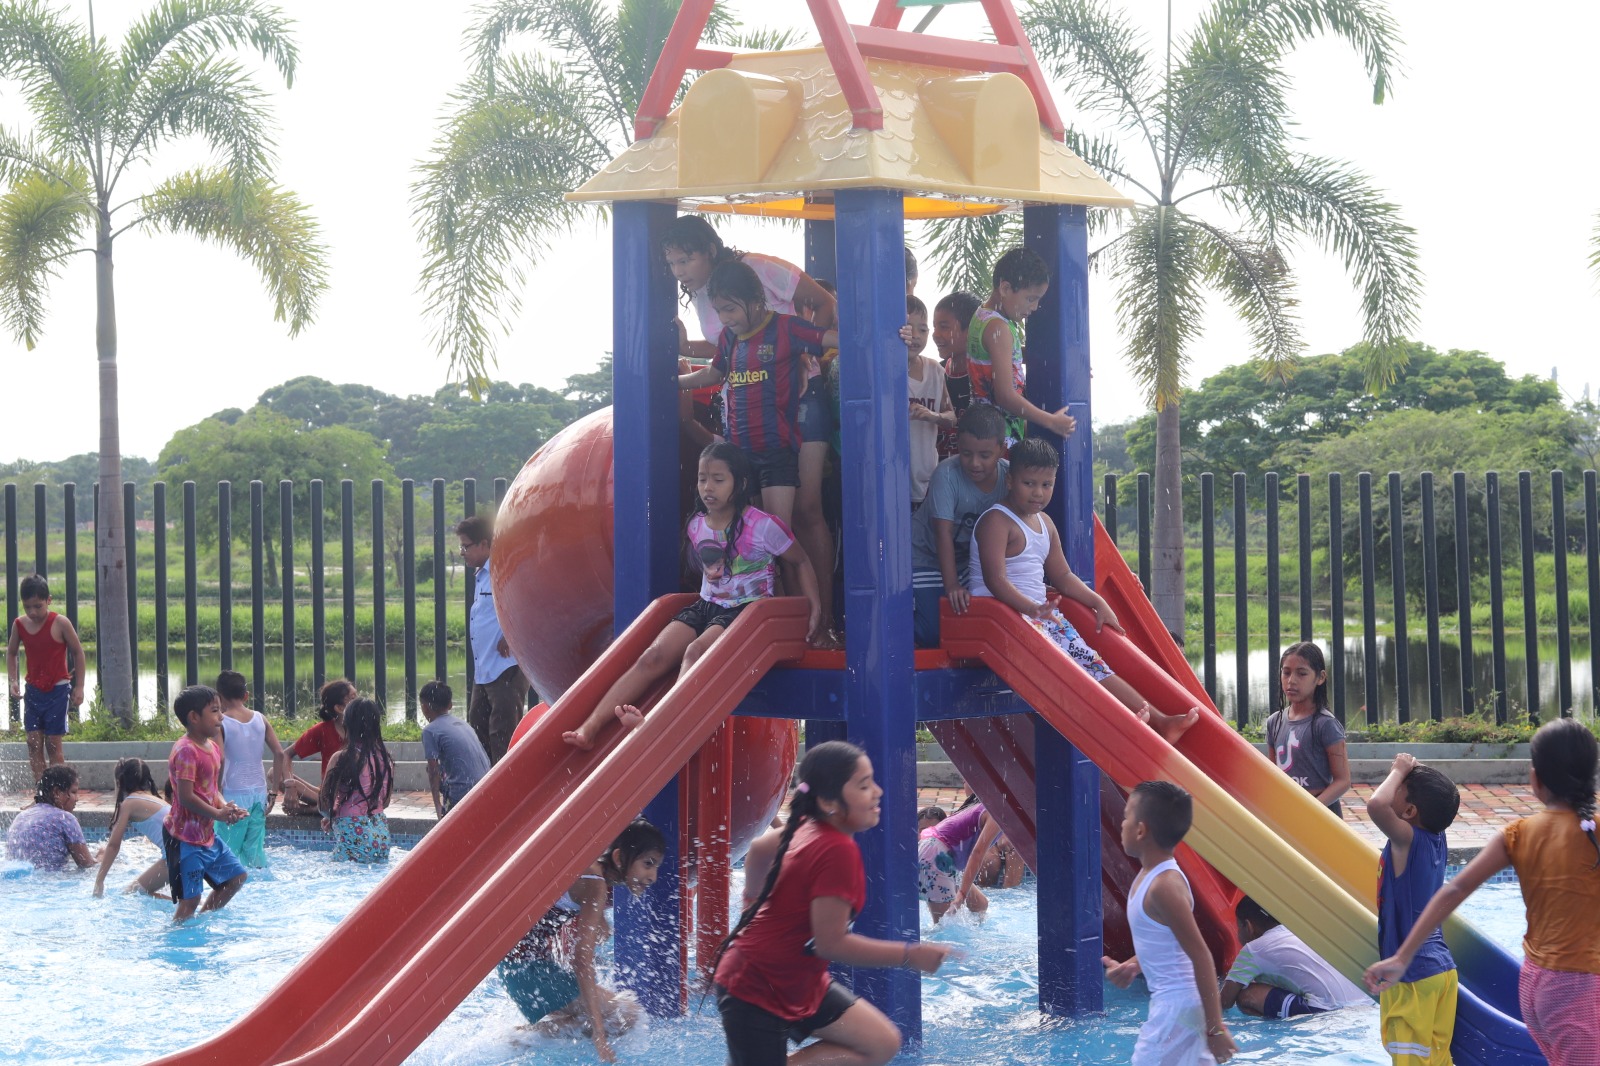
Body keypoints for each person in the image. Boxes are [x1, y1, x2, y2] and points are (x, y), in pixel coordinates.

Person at [563, 443, 823, 750]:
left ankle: (656, 726)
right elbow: (709, 568)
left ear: (739, 483)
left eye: (718, 479)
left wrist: (815, 607)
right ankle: (590, 728)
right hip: (707, 606)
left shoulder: (763, 526)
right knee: (652, 656)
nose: (708, 487)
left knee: (694, 652)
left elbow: (800, 561)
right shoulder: (697, 525)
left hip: (746, 613)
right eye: (702, 479)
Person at [1368, 720, 1597, 1066]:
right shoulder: (1592, 831)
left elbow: (1455, 888)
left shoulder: (1518, 833)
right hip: (1576, 986)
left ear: (1535, 779)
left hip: (1533, 985)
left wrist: (1402, 956)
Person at [712, 741, 951, 1066]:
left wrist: (752, 904)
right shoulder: (836, 850)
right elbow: (831, 943)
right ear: (827, 801)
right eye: (864, 785)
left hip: (796, 979)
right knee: (877, 1045)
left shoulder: (807, 826)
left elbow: (758, 849)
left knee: (880, 1043)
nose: (878, 792)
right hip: (754, 986)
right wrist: (909, 955)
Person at [664, 215, 839, 646]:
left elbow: (823, 305)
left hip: (798, 399)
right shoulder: (710, 301)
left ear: (709, 250)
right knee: (761, 525)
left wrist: (806, 356)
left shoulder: (758, 268)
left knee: (805, 510)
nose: (679, 272)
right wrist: (681, 357)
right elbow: (727, 350)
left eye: (685, 260)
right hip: (749, 416)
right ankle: (779, 621)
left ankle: (823, 623)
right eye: (673, 264)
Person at [971, 438, 1199, 740]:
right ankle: (1124, 728)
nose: (1038, 492)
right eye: (1029, 483)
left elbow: (1063, 575)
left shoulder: (1045, 523)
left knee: (1092, 662)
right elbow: (995, 580)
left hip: (1039, 617)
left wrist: (1097, 602)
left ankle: (1159, 721)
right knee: (1071, 671)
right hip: (1002, 617)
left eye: (1046, 484)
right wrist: (1031, 608)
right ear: (1011, 480)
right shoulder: (997, 521)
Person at [677, 261, 840, 540]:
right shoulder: (729, 337)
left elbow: (838, 338)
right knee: (751, 537)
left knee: (775, 536)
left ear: (755, 299)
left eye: (730, 309)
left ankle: (803, 570)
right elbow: (714, 373)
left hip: (777, 451)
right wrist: (675, 383)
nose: (724, 318)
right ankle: (772, 573)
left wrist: (894, 336)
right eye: (718, 311)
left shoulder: (786, 328)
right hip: (741, 455)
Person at [499, 820, 665, 1063]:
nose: (652, 876)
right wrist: (599, 1033)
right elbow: (582, 963)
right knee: (624, 1018)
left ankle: (529, 1036)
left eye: (656, 866)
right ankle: (520, 1038)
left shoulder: (592, 868)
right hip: (529, 972)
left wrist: (600, 918)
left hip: (521, 967)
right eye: (648, 864)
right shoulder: (595, 885)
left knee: (620, 1013)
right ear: (619, 858)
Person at [1102, 781, 1237, 1065]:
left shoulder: (1164, 886)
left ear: (1141, 830)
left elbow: (1201, 955)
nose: (1122, 823)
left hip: (1178, 1006)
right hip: (1177, 1005)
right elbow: (1166, 942)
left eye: (1126, 816)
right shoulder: (1149, 876)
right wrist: (1135, 964)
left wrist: (1215, 1028)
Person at [1361, 753, 1461, 1065]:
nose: (1393, 787)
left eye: (1399, 788)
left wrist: (1399, 769)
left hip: (1412, 978)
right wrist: (1411, 774)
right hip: (1442, 972)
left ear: (1409, 811)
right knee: (1438, 1060)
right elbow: (1437, 797)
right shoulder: (1437, 837)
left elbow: (1376, 806)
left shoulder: (1407, 839)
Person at [909, 404, 1011, 649]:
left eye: (984, 455)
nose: (974, 463)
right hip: (925, 556)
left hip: (969, 562)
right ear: (957, 446)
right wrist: (952, 585)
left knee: (978, 623)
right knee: (934, 632)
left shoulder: (1009, 478)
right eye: (966, 454)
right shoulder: (946, 475)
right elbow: (942, 534)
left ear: (1001, 449)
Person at [967, 247, 1077, 443]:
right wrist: (1050, 421)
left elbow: (1009, 357)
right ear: (1005, 288)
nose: (1034, 307)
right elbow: (1005, 396)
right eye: (1030, 299)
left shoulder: (983, 317)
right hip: (1000, 439)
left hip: (986, 432)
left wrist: (1067, 365)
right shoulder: (998, 327)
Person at [163, 685, 249, 922]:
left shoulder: (212, 748)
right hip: (183, 837)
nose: (221, 717)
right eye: (214, 711)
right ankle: (178, 932)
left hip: (206, 834)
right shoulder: (186, 750)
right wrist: (218, 814)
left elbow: (212, 790)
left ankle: (201, 921)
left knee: (236, 878)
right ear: (194, 717)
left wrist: (226, 807)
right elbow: (185, 796)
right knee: (190, 900)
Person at [458, 513, 530, 765]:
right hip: (484, 670)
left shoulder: (505, 569)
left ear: (484, 544)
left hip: (505, 669)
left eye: (466, 546)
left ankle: (507, 784)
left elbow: (529, 604)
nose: (462, 552)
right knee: (477, 728)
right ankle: (486, 782)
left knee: (503, 733)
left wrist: (512, 635)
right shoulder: (481, 576)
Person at [1221, 895, 1368, 1019]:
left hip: (1328, 1012)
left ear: (1248, 926)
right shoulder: (1298, 931)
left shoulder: (1253, 950)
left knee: (1246, 995)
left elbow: (1224, 1002)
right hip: (1364, 1003)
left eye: (1238, 927)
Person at [6, 574, 85, 783]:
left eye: (38, 606)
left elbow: (78, 652)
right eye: (27, 607)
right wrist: (13, 681)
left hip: (57, 690)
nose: (32, 612)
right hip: (33, 691)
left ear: (48, 600)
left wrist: (79, 687)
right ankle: (41, 791)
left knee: (52, 743)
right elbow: (11, 653)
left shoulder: (60, 623)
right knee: (33, 742)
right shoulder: (19, 625)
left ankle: (60, 790)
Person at [1264, 642, 1350, 816]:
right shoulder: (1274, 722)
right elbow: (1273, 775)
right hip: (1287, 812)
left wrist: (1311, 809)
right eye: (1286, 672)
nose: (1291, 680)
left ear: (1320, 677)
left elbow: (1343, 781)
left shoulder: (1325, 724)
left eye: (1302, 673)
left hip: (1322, 814)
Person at [214, 670, 287, 867]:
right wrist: (274, 792)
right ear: (246, 696)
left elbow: (220, 758)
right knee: (254, 850)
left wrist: (217, 790)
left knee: (228, 849)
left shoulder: (221, 723)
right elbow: (279, 753)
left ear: (219, 697)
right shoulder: (260, 718)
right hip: (259, 793)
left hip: (232, 793)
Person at [318, 697, 394, 863]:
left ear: (348, 724)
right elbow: (385, 802)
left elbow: (325, 804)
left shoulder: (343, 757)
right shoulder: (385, 758)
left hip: (354, 836)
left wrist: (332, 815)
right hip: (381, 835)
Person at [93, 756, 172, 897]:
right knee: (182, 901)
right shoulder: (156, 801)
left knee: (131, 894)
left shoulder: (129, 803)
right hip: (192, 852)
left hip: (176, 857)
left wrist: (99, 881)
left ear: (119, 782)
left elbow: (113, 845)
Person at [904, 294, 955, 507]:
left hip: (926, 475)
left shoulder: (935, 370)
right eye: (909, 328)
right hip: (894, 475)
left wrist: (933, 416)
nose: (916, 336)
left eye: (923, 330)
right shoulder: (884, 370)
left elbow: (952, 417)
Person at [281, 678, 354, 816]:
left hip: (355, 795)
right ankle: (325, 807)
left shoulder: (364, 729)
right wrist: (289, 785)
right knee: (275, 773)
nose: (359, 701)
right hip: (327, 794)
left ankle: (310, 809)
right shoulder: (322, 730)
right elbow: (286, 754)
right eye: (353, 698)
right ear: (339, 708)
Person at [419, 680, 490, 818]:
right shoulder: (463, 724)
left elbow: (433, 771)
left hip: (463, 794)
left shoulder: (430, 731)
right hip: (485, 787)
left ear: (424, 708)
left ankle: (448, 810)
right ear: (450, 705)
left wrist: (437, 806)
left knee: (431, 769)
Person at [5, 763, 94, 871]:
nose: (77, 799)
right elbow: (87, 864)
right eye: (73, 792)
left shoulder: (21, 816)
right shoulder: (65, 818)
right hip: (50, 878)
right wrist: (101, 857)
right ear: (56, 792)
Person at [920, 800, 996, 921]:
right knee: (945, 922)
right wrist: (962, 894)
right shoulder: (998, 812)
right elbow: (977, 853)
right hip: (936, 854)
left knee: (980, 905)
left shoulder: (1000, 809)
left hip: (945, 856)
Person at [931, 291, 979, 459]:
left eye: (944, 327)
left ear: (971, 330)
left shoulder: (985, 380)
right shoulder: (934, 373)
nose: (935, 334)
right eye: (934, 327)